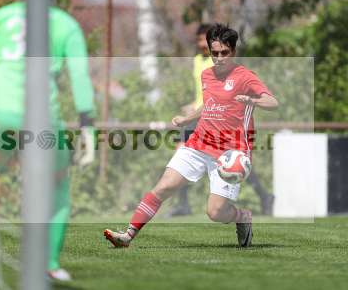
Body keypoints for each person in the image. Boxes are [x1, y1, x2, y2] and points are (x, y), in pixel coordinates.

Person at [0, 0, 95, 281]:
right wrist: (87, 125)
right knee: (58, 191)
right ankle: (49, 265)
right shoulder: (65, 24)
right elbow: (80, 77)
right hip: (40, 118)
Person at [104, 23, 278, 248]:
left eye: (224, 53)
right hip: (199, 143)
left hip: (230, 154)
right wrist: (186, 120)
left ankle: (242, 216)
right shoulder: (207, 75)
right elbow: (209, 104)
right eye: (214, 53)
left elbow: (273, 102)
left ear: (233, 52)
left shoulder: (245, 76)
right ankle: (127, 236)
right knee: (163, 186)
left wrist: (252, 101)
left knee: (215, 212)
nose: (219, 58)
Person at [166, 23, 213, 217]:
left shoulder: (217, 62)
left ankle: (261, 195)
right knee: (181, 153)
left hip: (210, 117)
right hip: (196, 116)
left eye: (204, 39)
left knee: (225, 161)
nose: (201, 43)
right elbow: (201, 93)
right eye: (199, 39)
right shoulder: (197, 60)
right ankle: (183, 204)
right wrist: (193, 104)